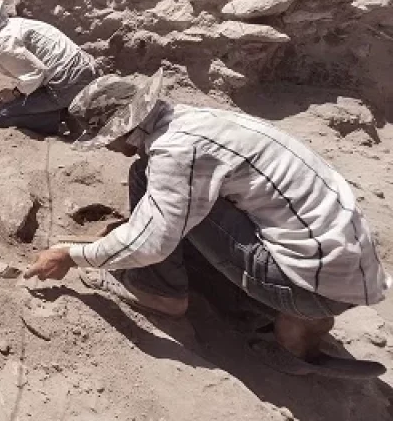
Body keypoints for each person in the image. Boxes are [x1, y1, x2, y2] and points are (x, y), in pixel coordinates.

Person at [25, 70, 391, 377]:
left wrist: (73, 257)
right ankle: (287, 316)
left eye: (104, 139)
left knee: (157, 190)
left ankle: (161, 292)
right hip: (345, 269)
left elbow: (152, 243)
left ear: (123, 128)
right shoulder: (196, 120)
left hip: (309, 285)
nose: (105, 147)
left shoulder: (177, 152)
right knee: (166, 185)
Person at [0, 0, 100, 136]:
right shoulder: (8, 27)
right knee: (22, 101)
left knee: (2, 116)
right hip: (81, 69)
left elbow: (35, 75)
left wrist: (13, 93)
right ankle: (61, 108)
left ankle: (61, 115)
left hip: (67, 82)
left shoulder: (2, 43)